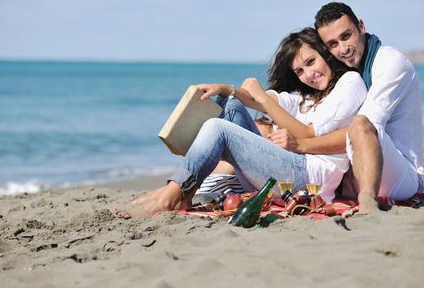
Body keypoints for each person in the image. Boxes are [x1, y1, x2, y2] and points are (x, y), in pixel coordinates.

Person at [113, 27, 367, 218]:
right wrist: (227, 89)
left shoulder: (349, 84)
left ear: (325, 55)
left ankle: (174, 193)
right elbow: (259, 100)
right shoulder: (305, 95)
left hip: (308, 179)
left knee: (218, 129)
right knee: (230, 105)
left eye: (311, 62)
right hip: (287, 168)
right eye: (299, 71)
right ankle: (182, 188)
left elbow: (307, 135)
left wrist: (262, 100)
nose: (309, 74)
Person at [288, 2, 424, 214]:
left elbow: (366, 127)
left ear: (361, 26)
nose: (343, 49)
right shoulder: (347, 70)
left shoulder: (390, 63)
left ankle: (367, 203)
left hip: (401, 178)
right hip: (355, 171)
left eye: (346, 36)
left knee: (360, 123)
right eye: (332, 44)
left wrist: (301, 144)